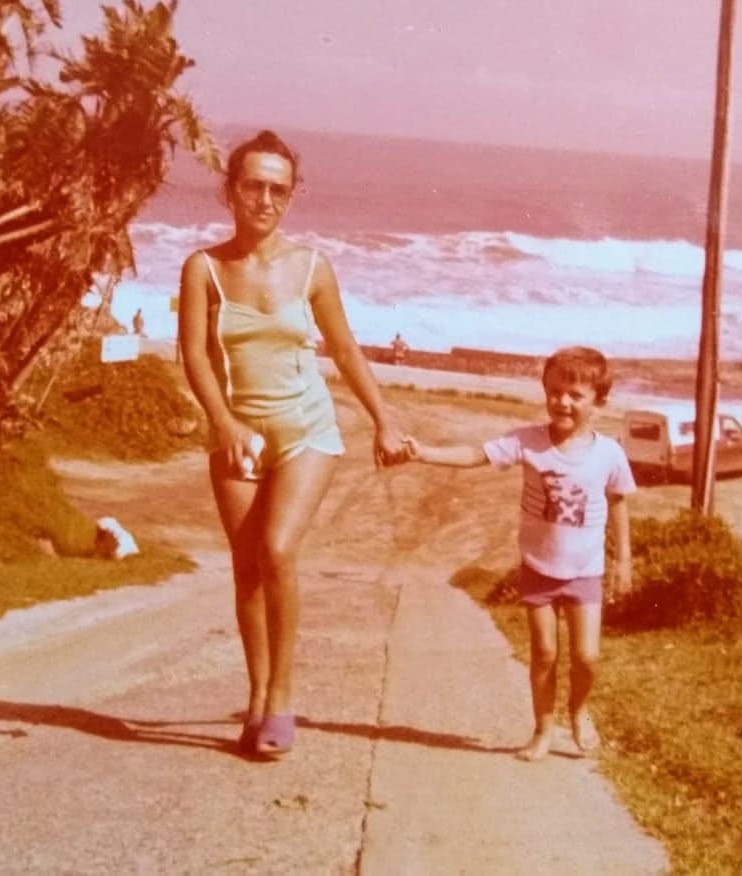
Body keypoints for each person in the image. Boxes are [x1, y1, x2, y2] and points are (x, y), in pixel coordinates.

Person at [177, 130, 408, 758]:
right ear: (231, 190)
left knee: (277, 551)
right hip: (235, 434)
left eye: (279, 188)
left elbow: (345, 348)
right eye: (254, 185)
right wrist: (223, 422)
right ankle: (255, 699)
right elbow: (193, 353)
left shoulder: (312, 268)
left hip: (307, 428)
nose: (266, 199)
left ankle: (281, 698)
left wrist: (383, 418)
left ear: (292, 195)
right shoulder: (203, 268)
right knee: (247, 568)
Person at [402, 346, 634, 761]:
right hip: (539, 567)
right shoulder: (527, 441)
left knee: (587, 656)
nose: (562, 401)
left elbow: (618, 502)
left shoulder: (610, 454)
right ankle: (543, 729)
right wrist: (424, 453)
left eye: (575, 395)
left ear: (599, 401)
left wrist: (624, 561)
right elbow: (476, 455)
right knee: (544, 652)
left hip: (586, 570)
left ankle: (578, 712)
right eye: (555, 391)